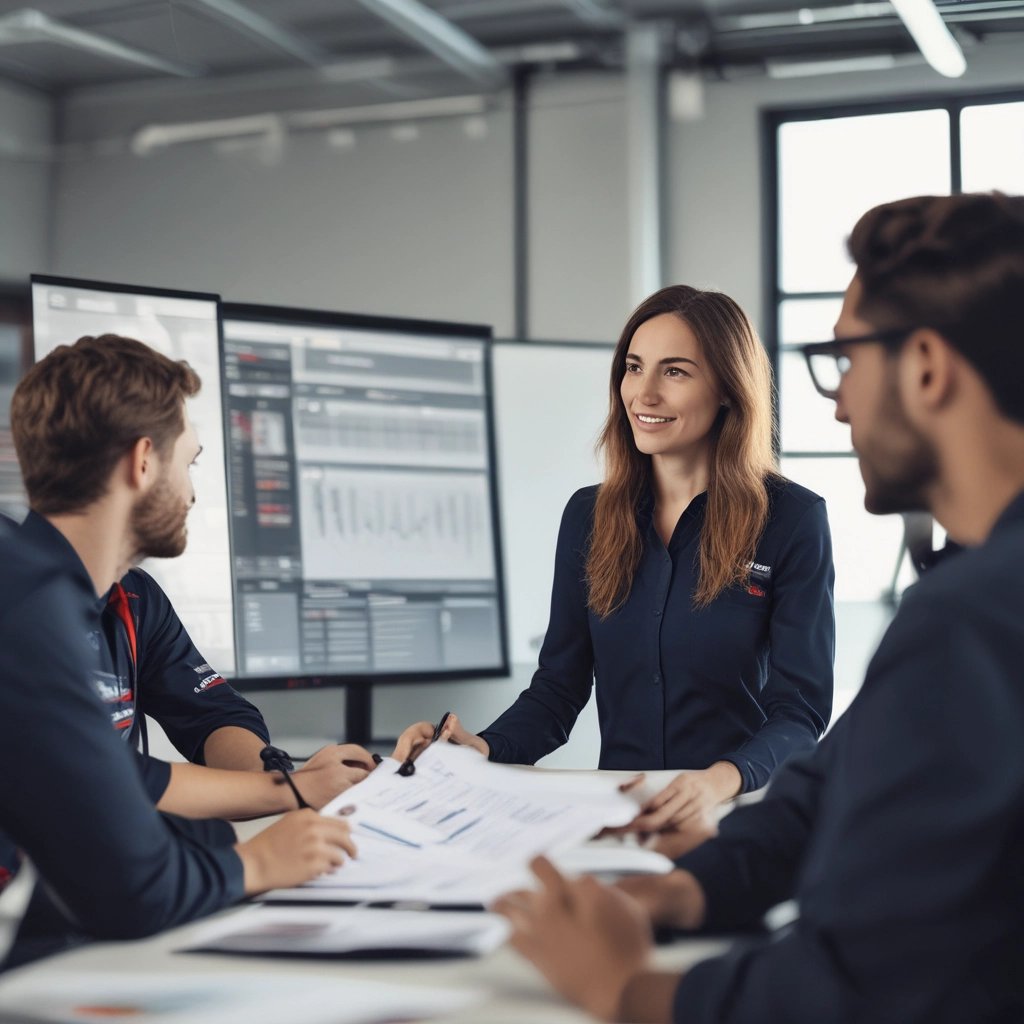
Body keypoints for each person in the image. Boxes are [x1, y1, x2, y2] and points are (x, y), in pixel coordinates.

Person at [493, 192, 1024, 1023]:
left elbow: (862, 979)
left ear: (925, 367)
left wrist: (632, 991)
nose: (841, 403)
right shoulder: (976, 592)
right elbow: (833, 783)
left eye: (845, 359)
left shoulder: (974, 618)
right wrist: (688, 890)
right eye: (635, 367)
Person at [398, 286, 835, 840]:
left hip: (734, 819)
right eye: (633, 367)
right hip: (616, 819)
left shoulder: (792, 520)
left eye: (674, 372)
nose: (643, 393)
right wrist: (480, 749)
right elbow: (558, 691)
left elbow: (799, 714)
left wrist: (716, 781)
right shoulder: (589, 515)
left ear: (727, 388)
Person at [0, 334, 356, 967]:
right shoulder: (24, 606)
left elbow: (217, 714)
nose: (192, 492)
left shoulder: (129, 596)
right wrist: (264, 849)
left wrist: (280, 779)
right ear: (143, 462)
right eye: (189, 462)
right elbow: (128, 854)